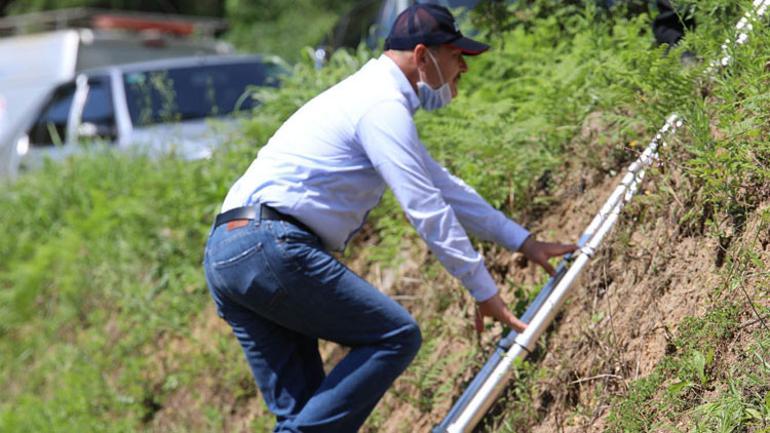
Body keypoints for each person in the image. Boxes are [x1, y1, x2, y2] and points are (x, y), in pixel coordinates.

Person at [202, 4, 576, 432]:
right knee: (394, 335)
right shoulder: (381, 105)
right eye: (457, 56)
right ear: (422, 56)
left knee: (304, 415)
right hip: (268, 247)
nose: (463, 69)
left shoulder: (369, 98)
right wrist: (484, 290)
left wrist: (525, 242)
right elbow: (425, 207)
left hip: (227, 252)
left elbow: (445, 188)